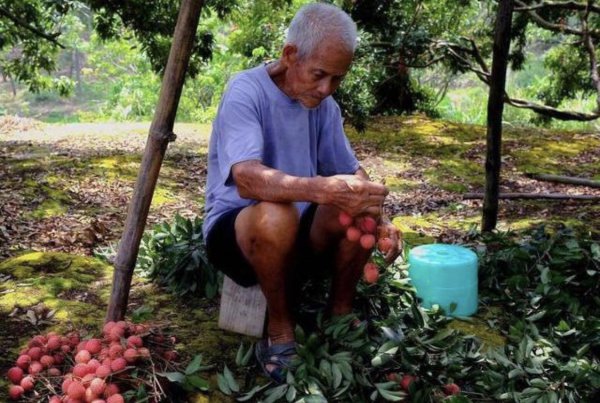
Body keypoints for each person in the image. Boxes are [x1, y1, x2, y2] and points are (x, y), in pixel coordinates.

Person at [203, 2, 402, 383]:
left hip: (298, 232)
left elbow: (351, 173)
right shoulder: (246, 90)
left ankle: (340, 315)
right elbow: (247, 179)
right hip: (240, 234)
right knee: (278, 213)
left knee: (358, 208)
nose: (327, 88)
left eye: (338, 79)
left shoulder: (323, 105)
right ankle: (279, 331)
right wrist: (323, 189)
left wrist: (380, 217)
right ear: (290, 55)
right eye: (320, 75)